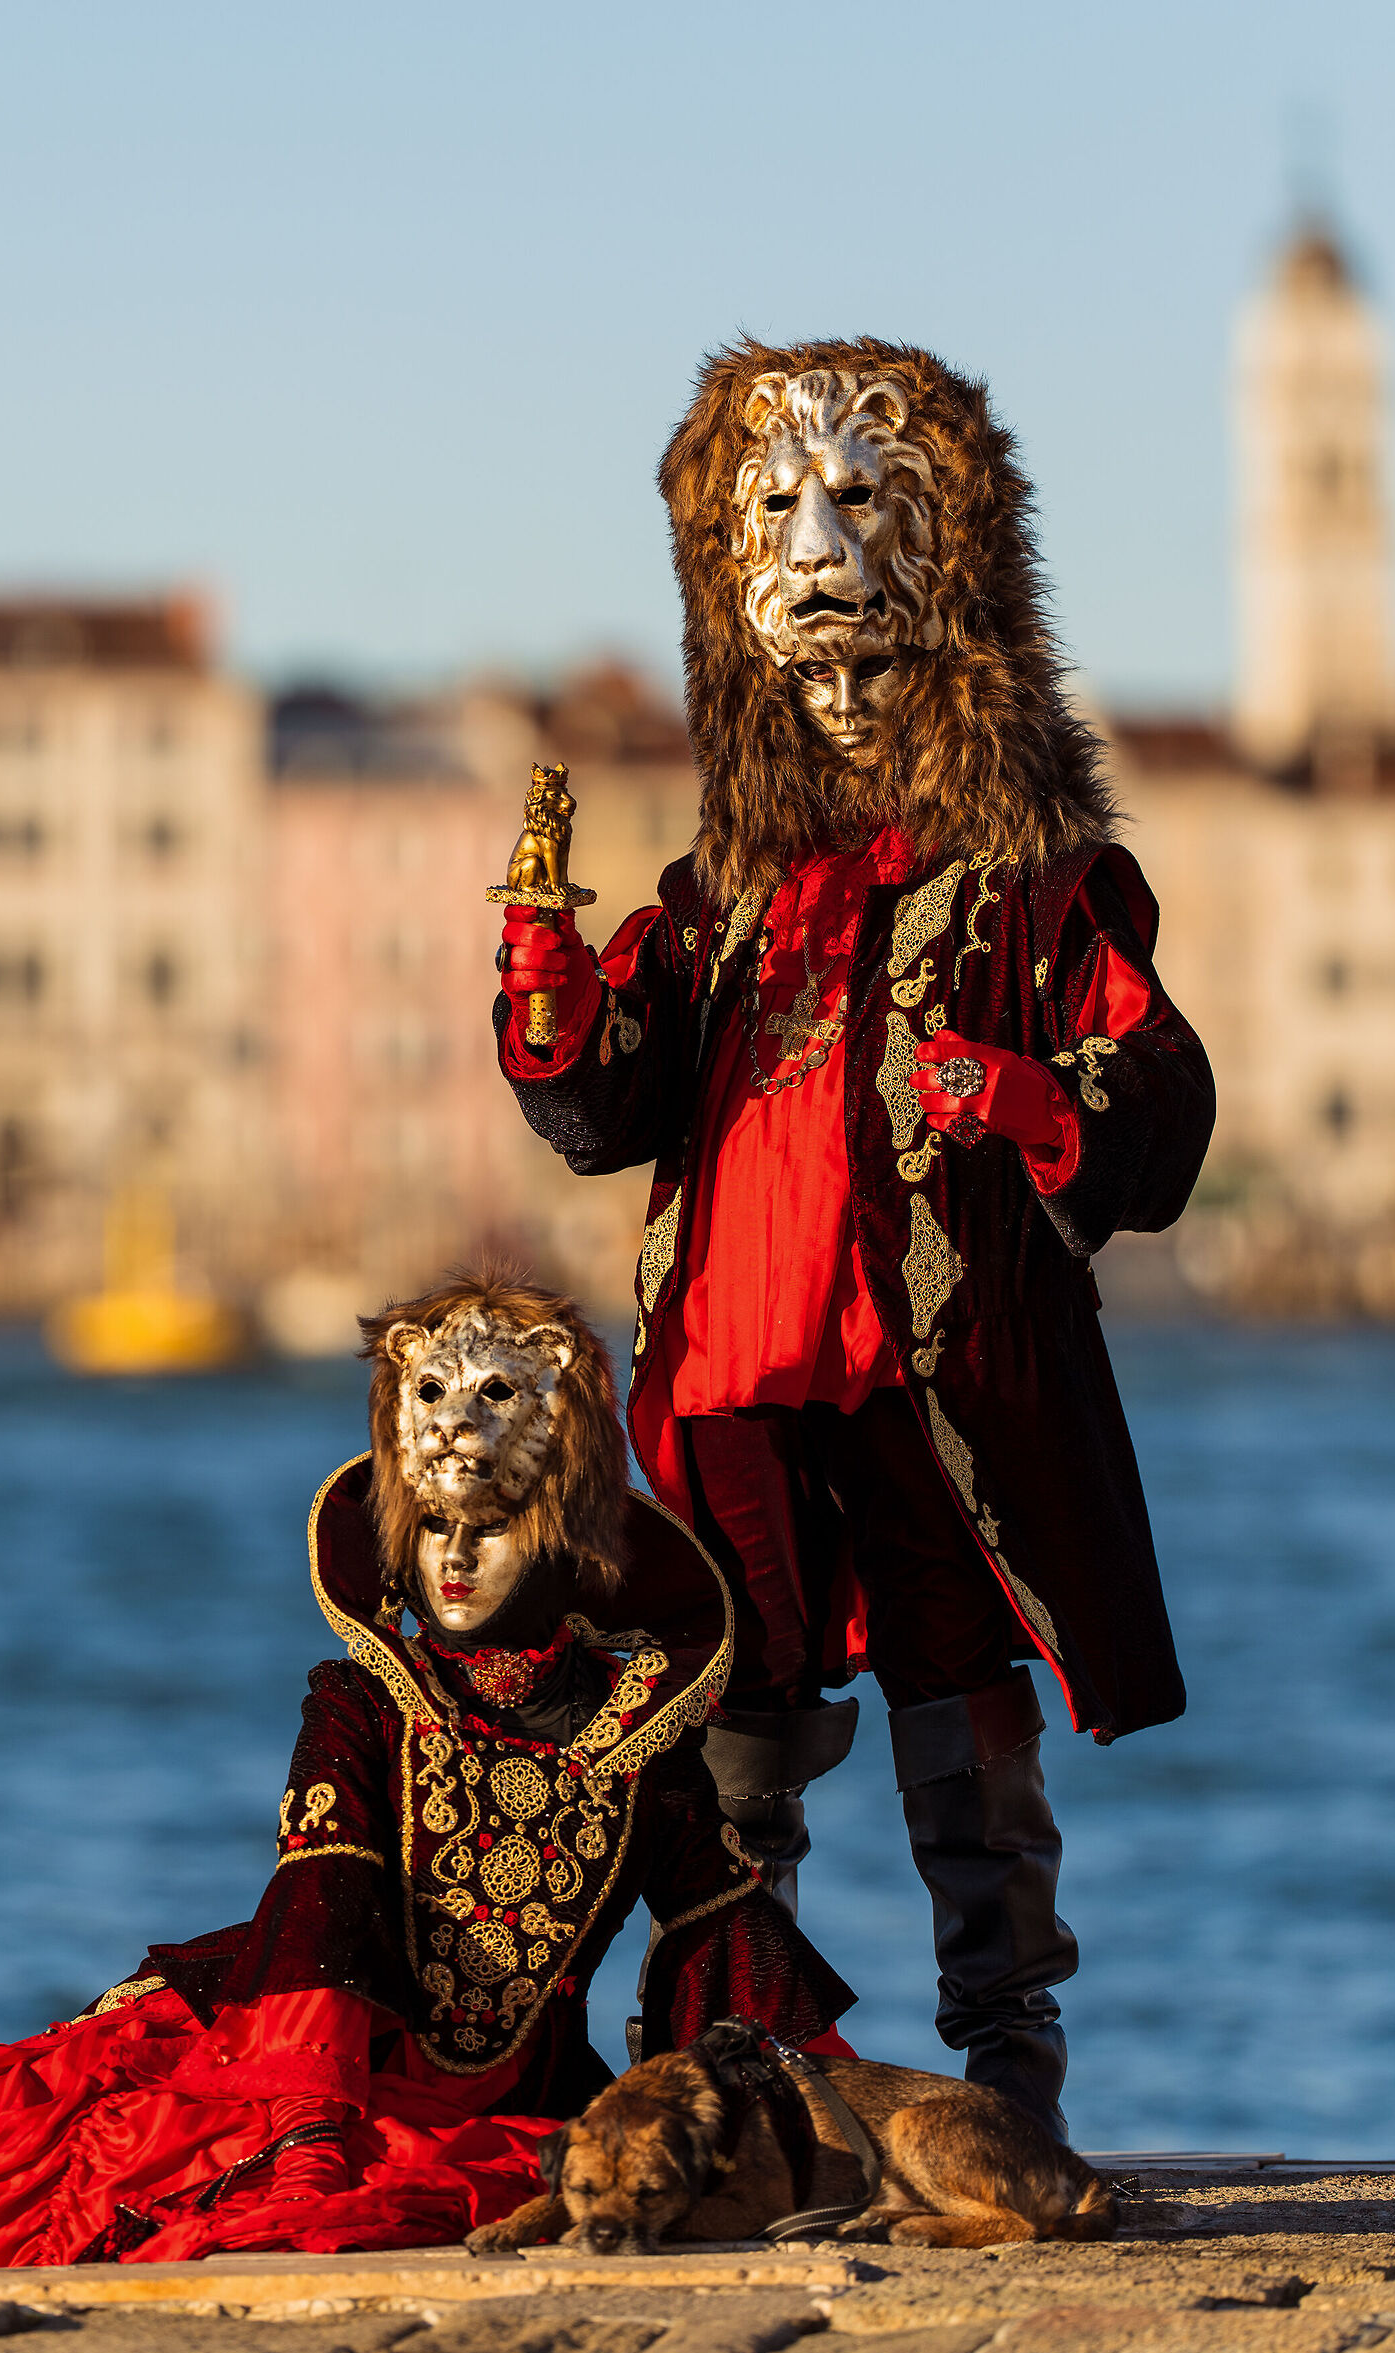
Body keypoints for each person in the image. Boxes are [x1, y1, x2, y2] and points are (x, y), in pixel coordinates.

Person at [495, 343, 1215, 2141]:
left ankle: (1010, 2074)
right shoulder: (721, 892)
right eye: (774, 531)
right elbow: (609, 1111)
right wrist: (552, 994)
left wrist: (1036, 1106)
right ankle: (744, 2069)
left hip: (937, 1367)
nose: (815, 568)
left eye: (861, 520)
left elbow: (1162, 1106)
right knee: (737, 1713)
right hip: (735, 1371)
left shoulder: (1040, 891)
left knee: (960, 1706)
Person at [0, 1269, 854, 2292]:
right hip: (292, 2065)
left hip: (510, 2105)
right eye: (431, 1532)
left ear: (561, 1534)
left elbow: (716, 1941)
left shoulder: (641, 1734)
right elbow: (326, 1899)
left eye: (484, 1533)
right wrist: (307, 2140)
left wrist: (825, 2128)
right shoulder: (365, 1700)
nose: (454, 1564)